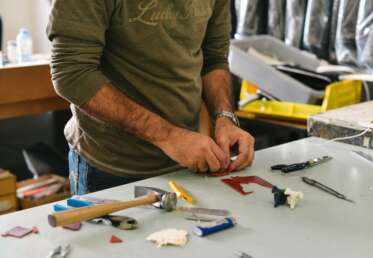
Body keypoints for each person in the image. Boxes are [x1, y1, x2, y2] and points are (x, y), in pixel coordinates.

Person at [47, 0, 255, 195]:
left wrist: (224, 119)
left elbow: (214, 58)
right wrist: (169, 136)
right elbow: (72, 74)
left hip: (190, 160)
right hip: (111, 168)